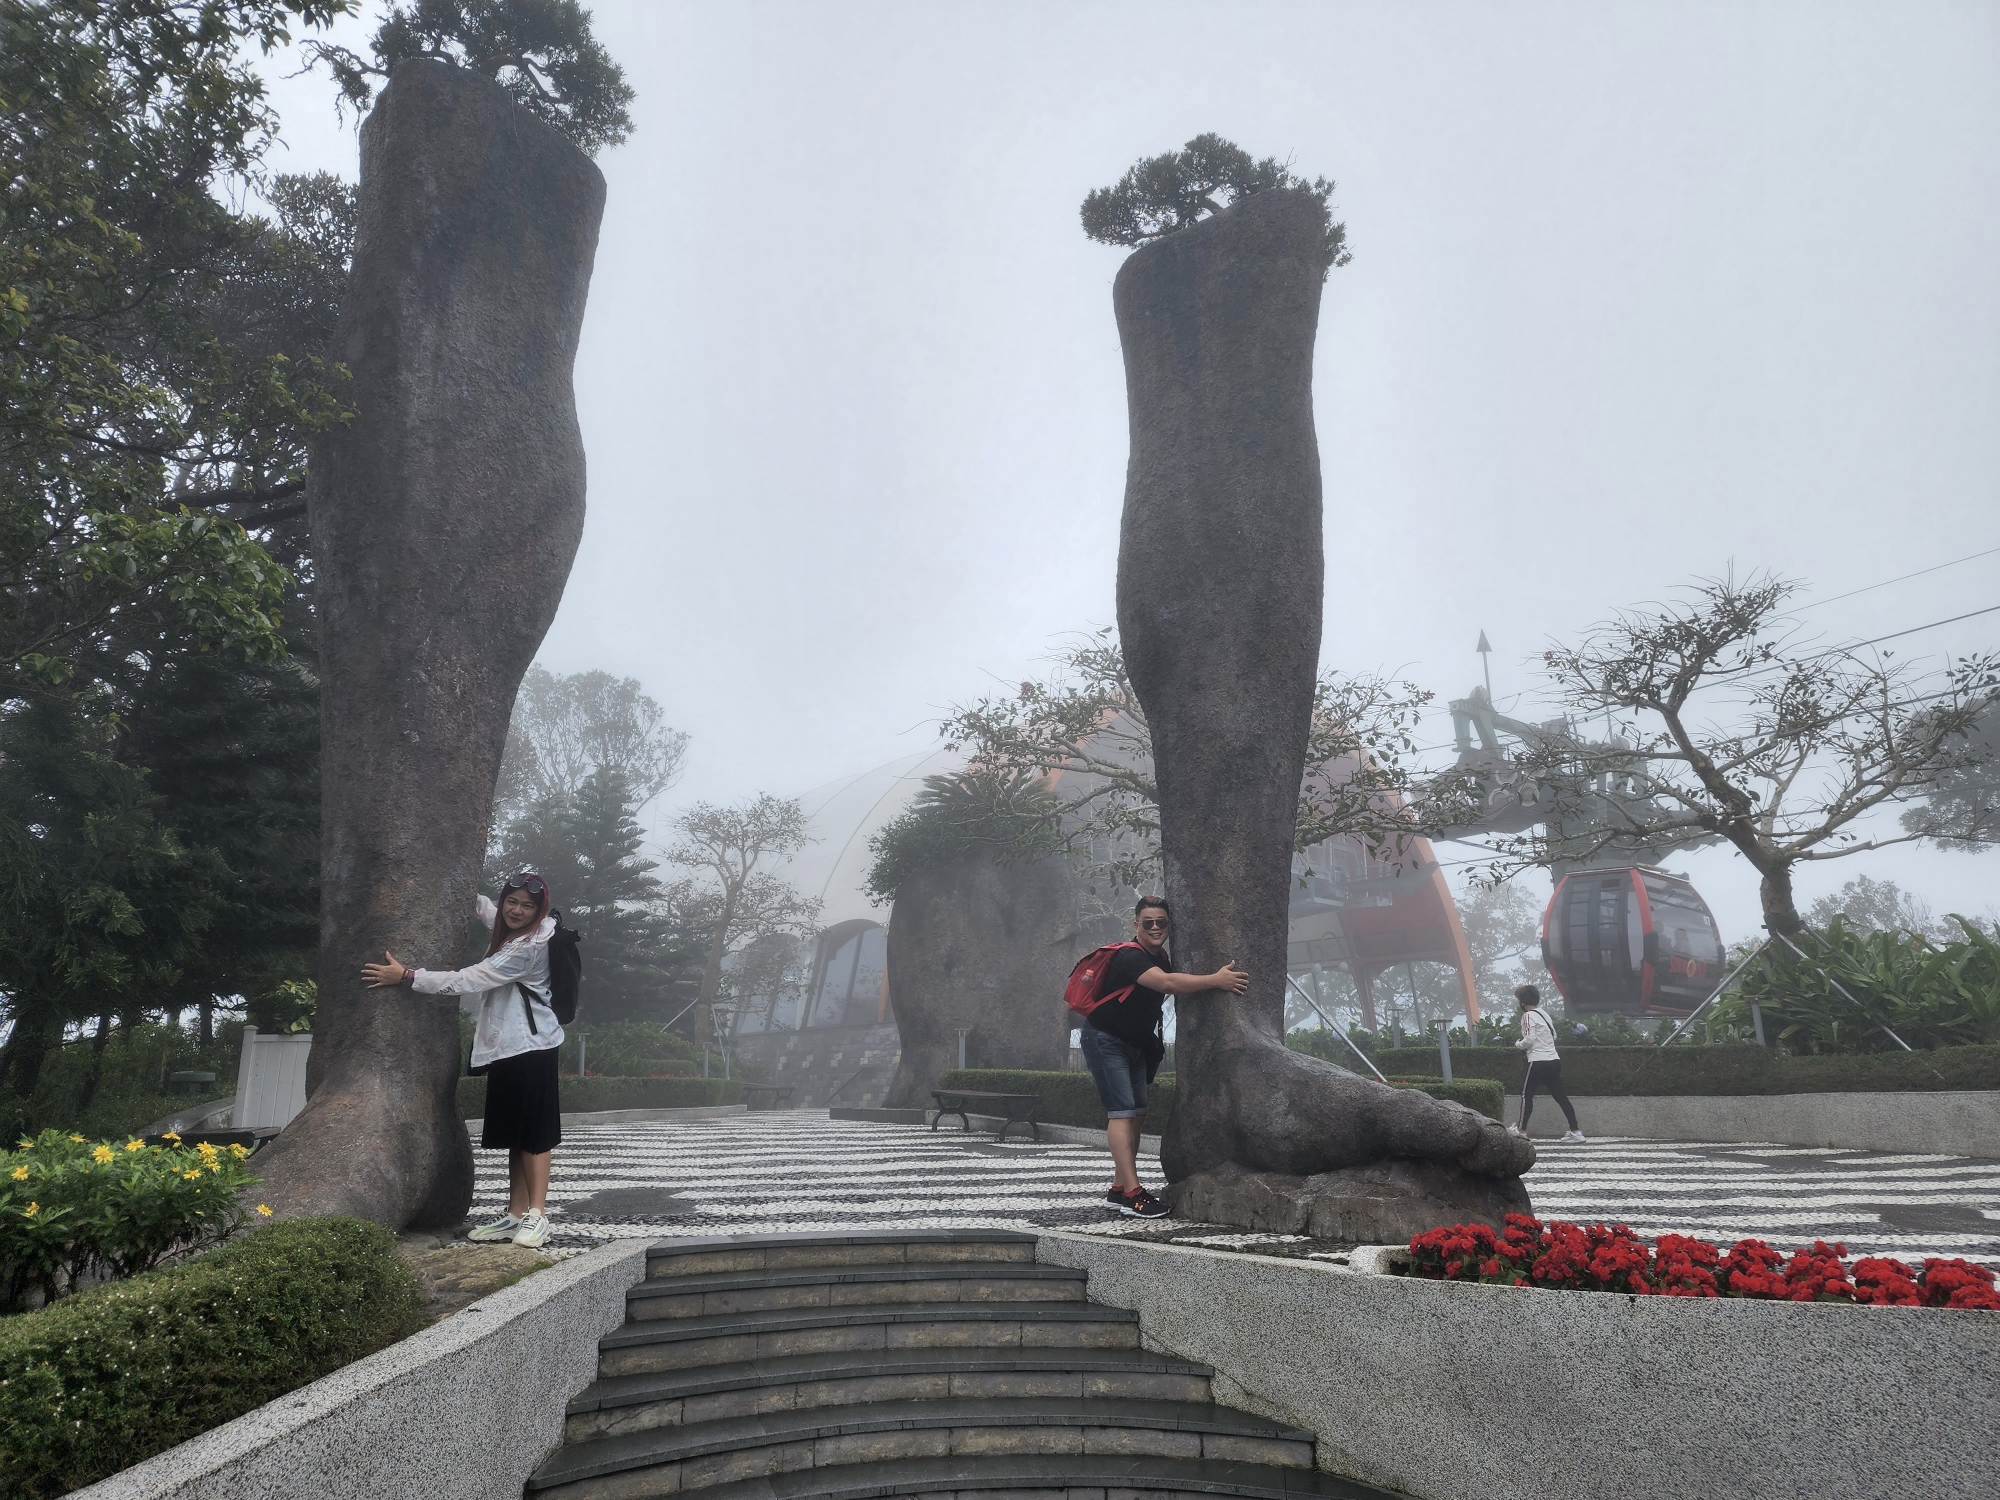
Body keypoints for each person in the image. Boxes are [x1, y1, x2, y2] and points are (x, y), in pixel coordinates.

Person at [363, 870, 564, 1247]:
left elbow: (468, 979)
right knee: (516, 1136)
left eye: (527, 905)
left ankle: (538, 1215)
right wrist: (469, 893)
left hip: (533, 1047)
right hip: (509, 1047)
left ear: (540, 910)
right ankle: (515, 1215)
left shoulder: (527, 948)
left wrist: (407, 976)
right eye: (512, 901)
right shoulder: (518, 931)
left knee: (535, 1135)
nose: (516, 910)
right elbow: (493, 915)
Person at [1082, 894, 1249, 1217]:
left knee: (1138, 1112)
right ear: (1136, 925)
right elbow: (1167, 983)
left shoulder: (1160, 956)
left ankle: (1118, 1188)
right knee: (1121, 1113)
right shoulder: (1130, 958)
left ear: (1170, 925)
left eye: (1162, 922)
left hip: (1136, 1044)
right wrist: (1216, 980)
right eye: (1148, 923)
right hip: (1105, 1041)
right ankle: (1133, 1194)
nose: (1155, 927)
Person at [1513, 983, 1584, 1143]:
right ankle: (1576, 1131)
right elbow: (1554, 1036)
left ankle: (1521, 1131)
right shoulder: (1544, 1014)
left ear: (1522, 1002)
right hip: (1553, 1060)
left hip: (1536, 1062)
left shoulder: (1528, 1016)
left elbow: (1529, 1039)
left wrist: (1518, 1045)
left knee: (1526, 1096)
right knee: (1560, 1096)